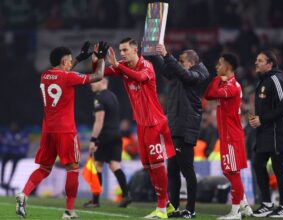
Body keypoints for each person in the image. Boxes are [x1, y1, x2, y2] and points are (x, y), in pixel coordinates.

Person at [15, 41, 108, 219]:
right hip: (65, 130)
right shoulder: (68, 77)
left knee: (44, 168)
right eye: (70, 61)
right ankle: (69, 211)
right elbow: (97, 76)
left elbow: (63, 70)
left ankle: (24, 193)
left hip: (48, 129)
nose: (71, 63)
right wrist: (101, 59)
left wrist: (80, 58)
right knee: (72, 169)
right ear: (65, 62)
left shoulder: (45, 75)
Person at [92, 37, 176, 219]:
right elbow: (98, 74)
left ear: (135, 50)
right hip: (141, 124)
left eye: (124, 50)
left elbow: (139, 77)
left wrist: (118, 65)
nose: (122, 54)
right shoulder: (123, 66)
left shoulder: (147, 66)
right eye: (120, 51)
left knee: (157, 165)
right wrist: (96, 59)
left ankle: (161, 209)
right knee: (148, 166)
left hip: (154, 122)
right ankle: (167, 204)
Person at [148, 43, 209, 218]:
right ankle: (174, 207)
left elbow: (185, 75)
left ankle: (191, 209)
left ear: (191, 62)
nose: (179, 64)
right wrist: (153, 54)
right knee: (172, 171)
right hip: (174, 127)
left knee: (187, 170)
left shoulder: (199, 74)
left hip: (185, 128)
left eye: (181, 61)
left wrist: (167, 54)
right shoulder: (181, 73)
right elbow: (166, 69)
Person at [204, 53, 253, 219]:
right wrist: (219, 79)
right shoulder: (226, 83)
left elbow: (211, 94)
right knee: (228, 171)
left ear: (228, 67)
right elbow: (209, 93)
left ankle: (235, 212)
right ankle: (244, 204)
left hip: (232, 135)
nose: (217, 67)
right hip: (226, 135)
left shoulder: (233, 87)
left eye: (220, 64)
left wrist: (220, 80)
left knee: (233, 172)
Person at [249, 50, 283, 218]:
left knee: (278, 168)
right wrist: (257, 121)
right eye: (256, 60)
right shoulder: (263, 82)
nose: (256, 63)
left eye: (260, 60)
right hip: (265, 133)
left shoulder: (276, 80)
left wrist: (262, 119)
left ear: (270, 64)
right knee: (258, 165)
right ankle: (267, 204)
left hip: (278, 133)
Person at [83, 77, 132, 208]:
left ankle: (95, 200)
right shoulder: (113, 96)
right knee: (115, 165)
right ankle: (127, 195)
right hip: (117, 135)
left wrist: (93, 139)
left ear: (103, 82)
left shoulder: (99, 98)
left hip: (104, 136)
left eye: (95, 81)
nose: (91, 84)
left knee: (97, 165)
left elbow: (99, 121)